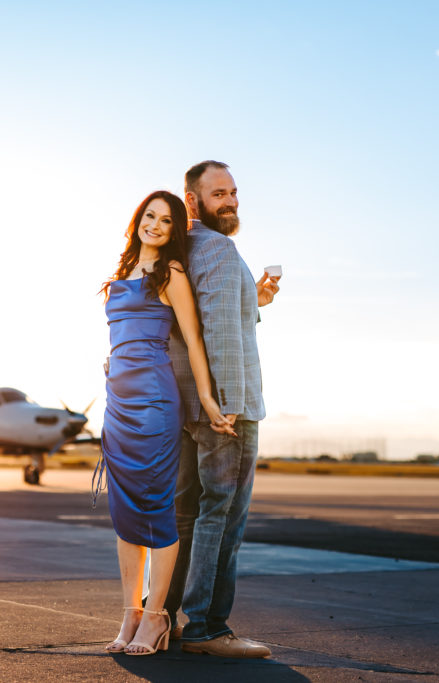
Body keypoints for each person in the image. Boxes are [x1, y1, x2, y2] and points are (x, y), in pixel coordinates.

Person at [97, 190, 234, 656]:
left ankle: (156, 617)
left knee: (155, 508)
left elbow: (194, 340)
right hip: (118, 404)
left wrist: (210, 400)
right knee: (124, 513)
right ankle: (130, 612)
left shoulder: (170, 273)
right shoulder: (122, 274)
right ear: (139, 219)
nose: (154, 225)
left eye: (166, 221)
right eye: (149, 216)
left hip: (155, 402)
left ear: (175, 230)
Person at [165, 161, 281, 658]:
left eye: (233, 192)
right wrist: (226, 405)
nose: (230, 201)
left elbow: (208, 314)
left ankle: (163, 616)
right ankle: (207, 629)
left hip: (189, 405)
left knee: (187, 515)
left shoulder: (181, 250)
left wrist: (254, 300)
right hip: (225, 408)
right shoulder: (218, 247)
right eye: (218, 194)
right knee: (224, 516)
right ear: (191, 201)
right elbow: (217, 332)